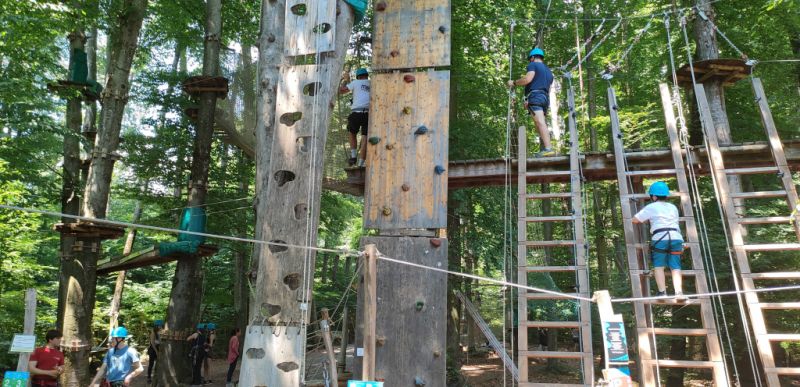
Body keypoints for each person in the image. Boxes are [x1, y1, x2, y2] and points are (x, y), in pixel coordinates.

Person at [632, 181, 685, 300]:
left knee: (659, 266)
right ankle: (679, 293)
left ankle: (662, 293)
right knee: (675, 266)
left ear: (654, 196)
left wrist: (648, 218)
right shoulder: (673, 207)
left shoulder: (651, 207)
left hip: (660, 238)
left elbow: (635, 220)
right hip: (676, 237)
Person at [507, 47, 555, 157]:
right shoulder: (548, 71)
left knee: (539, 122)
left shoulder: (533, 65)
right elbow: (546, 86)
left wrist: (513, 83)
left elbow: (527, 79)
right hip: (544, 98)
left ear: (532, 58)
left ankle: (548, 148)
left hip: (536, 96)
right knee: (538, 123)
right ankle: (547, 149)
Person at [339, 68, 371, 167]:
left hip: (356, 113)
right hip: (368, 114)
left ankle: (353, 156)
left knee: (352, 133)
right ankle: (361, 164)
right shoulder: (372, 83)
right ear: (366, 75)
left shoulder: (355, 82)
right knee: (365, 138)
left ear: (358, 76)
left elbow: (342, 91)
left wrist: (344, 80)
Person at [146, 320, 163, 384]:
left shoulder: (161, 331)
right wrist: (156, 351)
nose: (160, 326)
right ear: (156, 326)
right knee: (151, 363)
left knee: (158, 363)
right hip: (153, 349)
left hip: (159, 348)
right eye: (159, 325)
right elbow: (152, 343)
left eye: (161, 325)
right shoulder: (153, 332)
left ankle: (157, 375)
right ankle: (149, 377)